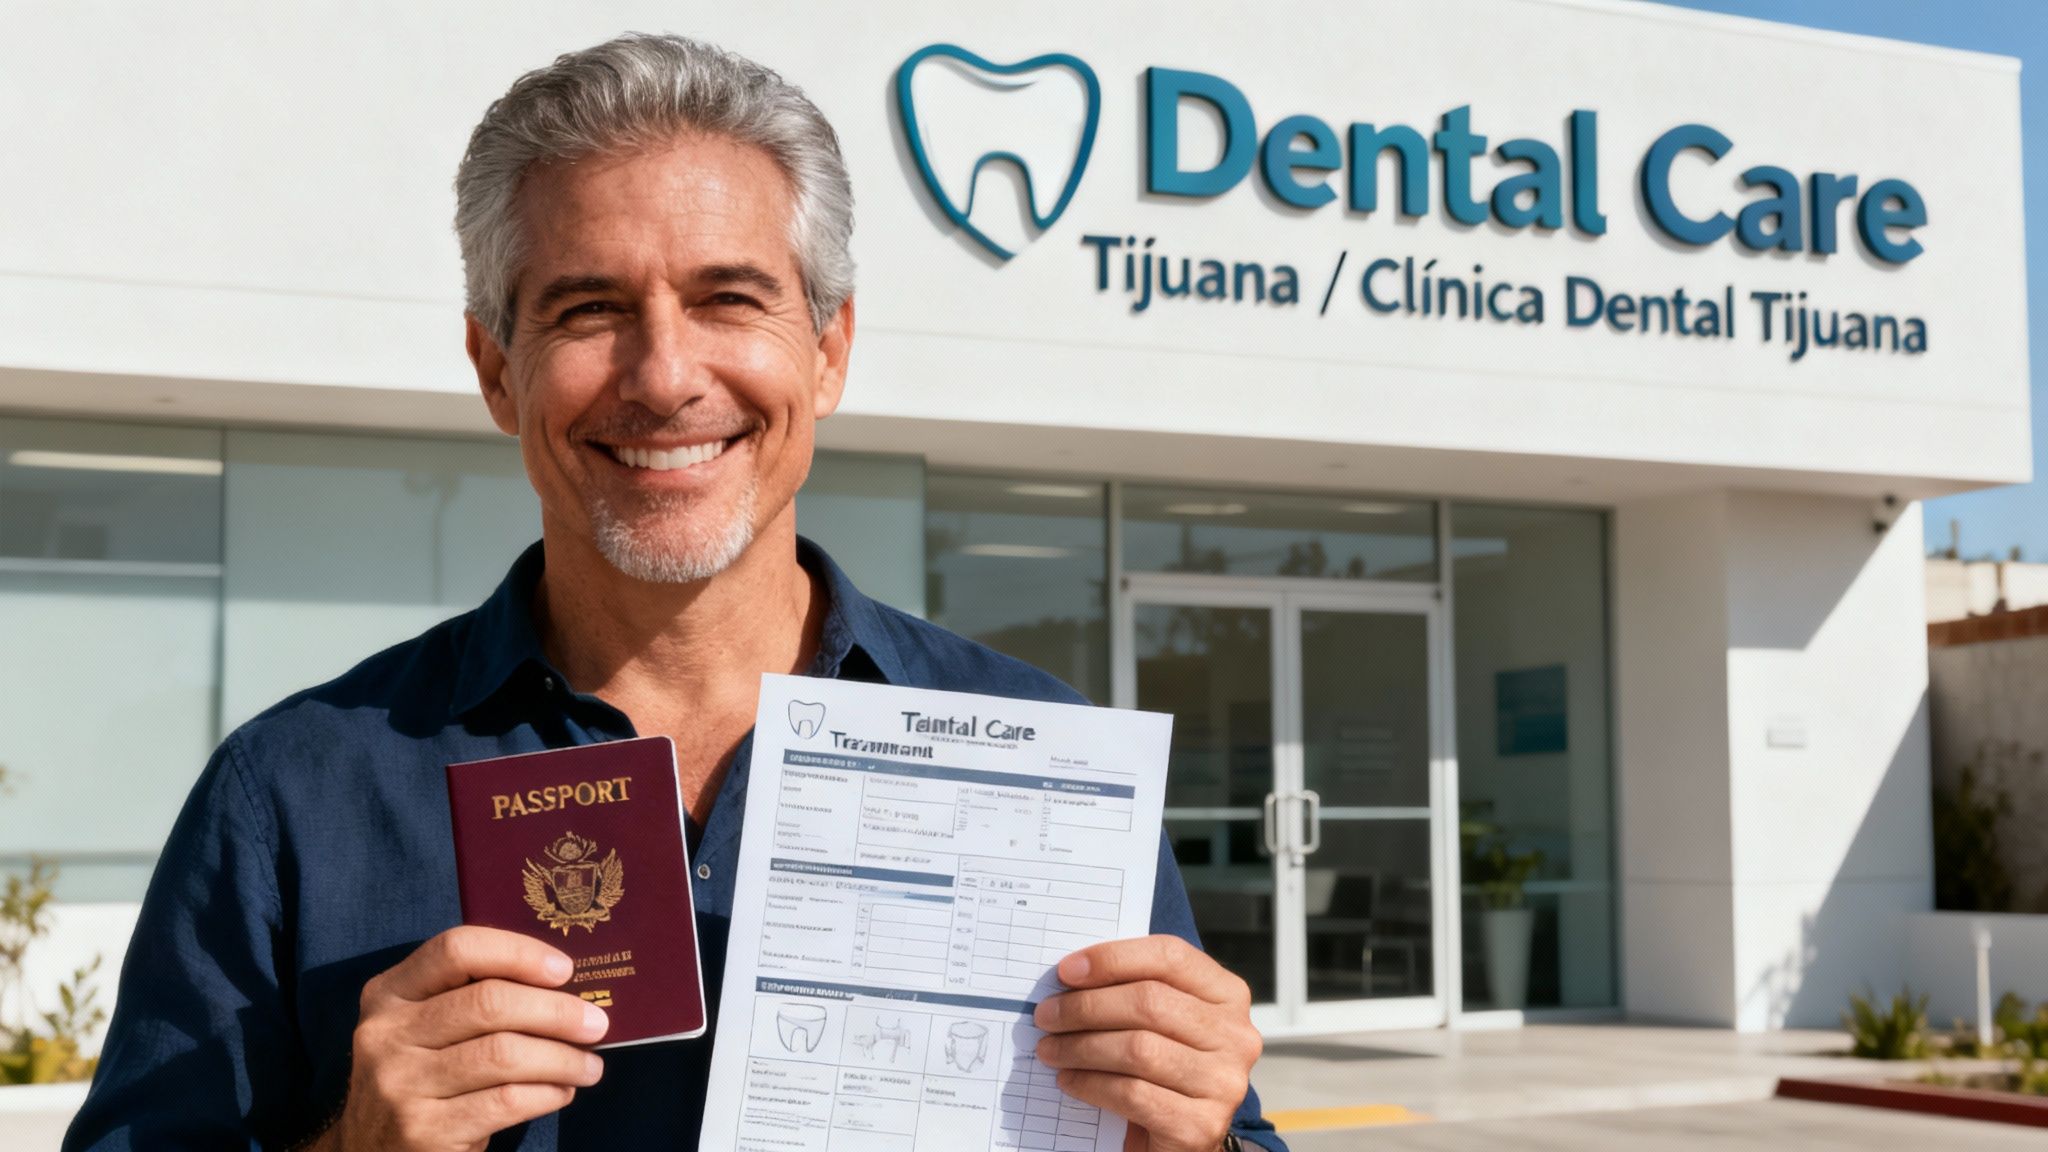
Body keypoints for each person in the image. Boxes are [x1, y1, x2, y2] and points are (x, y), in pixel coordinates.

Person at [65, 33, 1281, 1152]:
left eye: (727, 299)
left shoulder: (1043, 760)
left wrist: (1194, 1137)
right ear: (497, 371)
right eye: (588, 308)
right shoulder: (294, 792)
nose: (662, 376)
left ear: (828, 349)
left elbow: (1216, 1133)